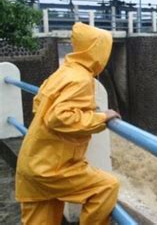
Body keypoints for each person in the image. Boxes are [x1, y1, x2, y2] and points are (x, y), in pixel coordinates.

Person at [15, 22, 121, 224]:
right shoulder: (81, 79)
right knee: (106, 186)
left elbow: (39, 104)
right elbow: (59, 117)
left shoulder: (64, 71)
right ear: (96, 50)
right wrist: (100, 117)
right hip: (51, 168)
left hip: (34, 160)